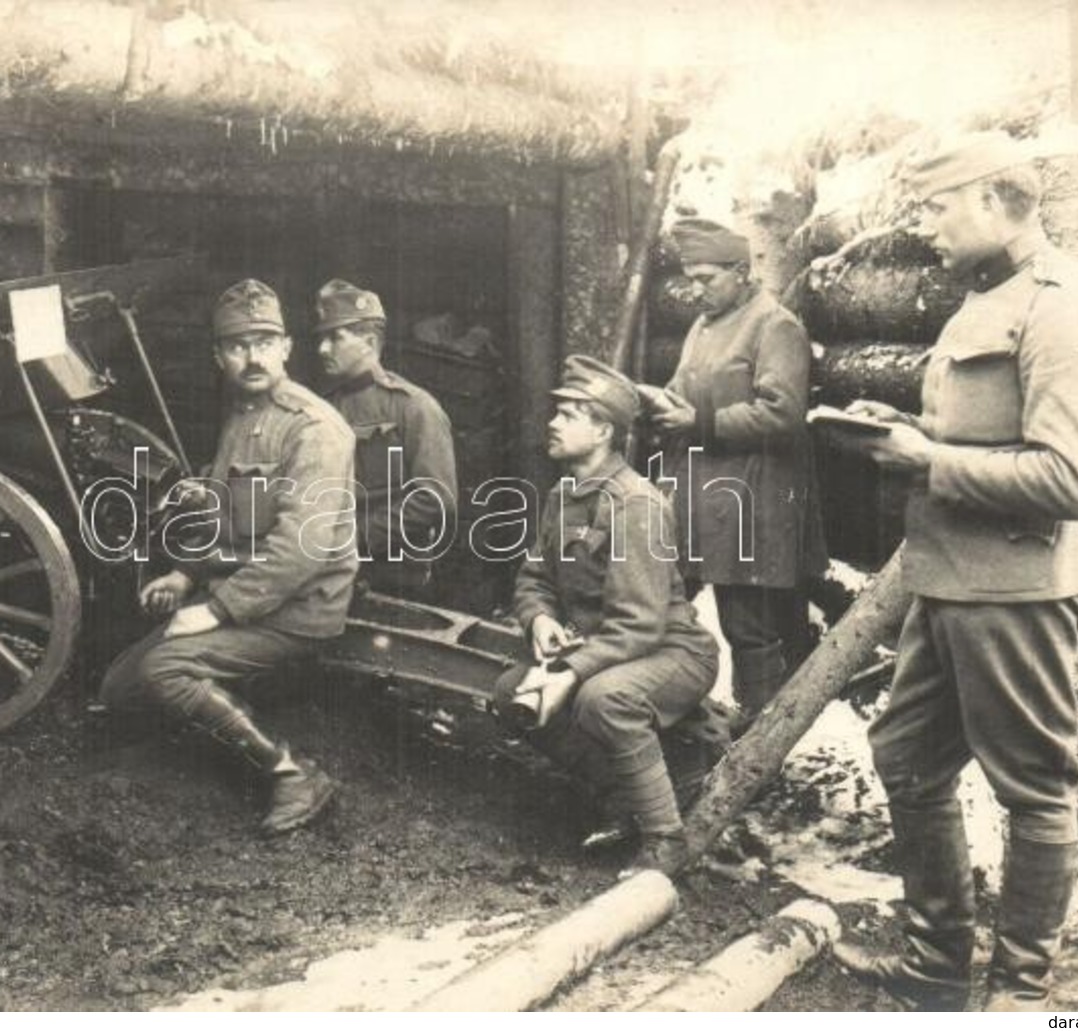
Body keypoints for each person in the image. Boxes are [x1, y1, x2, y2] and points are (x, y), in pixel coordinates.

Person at [829, 133, 1078, 1010]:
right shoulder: (985, 296)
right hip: (947, 578)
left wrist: (926, 461)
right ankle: (934, 966)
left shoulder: (1060, 305)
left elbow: (1066, 481)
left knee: (1032, 788)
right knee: (907, 758)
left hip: (1016, 585)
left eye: (934, 206)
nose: (922, 225)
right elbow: (984, 432)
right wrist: (905, 430)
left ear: (995, 202)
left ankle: (1018, 990)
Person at [98, 279, 359, 835]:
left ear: (287, 347)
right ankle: (211, 709)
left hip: (299, 609)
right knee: (120, 689)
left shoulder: (314, 428)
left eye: (265, 341)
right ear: (220, 357)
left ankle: (291, 771)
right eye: (239, 345)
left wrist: (214, 611)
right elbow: (221, 514)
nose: (253, 356)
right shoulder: (242, 417)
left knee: (165, 667)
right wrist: (183, 573)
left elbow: (301, 548)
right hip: (246, 597)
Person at [493, 354, 719, 874]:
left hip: (672, 651)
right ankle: (623, 797)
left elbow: (640, 623)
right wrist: (540, 620)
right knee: (512, 694)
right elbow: (533, 578)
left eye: (568, 415)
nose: (552, 423)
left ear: (602, 430)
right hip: (609, 648)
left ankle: (665, 841)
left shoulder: (635, 505)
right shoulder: (564, 495)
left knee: (603, 699)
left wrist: (570, 672)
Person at [639, 218, 826, 722]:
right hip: (702, 490)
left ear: (741, 271)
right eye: (689, 278)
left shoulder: (775, 325)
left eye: (707, 278)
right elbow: (681, 387)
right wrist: (658, 402)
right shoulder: (704, 325)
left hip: (753, 493)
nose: (694, 290)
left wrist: (698, 421)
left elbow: (782, 416)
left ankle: (760, 734)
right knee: (663, 599)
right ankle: (674, 712)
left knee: (749, 622)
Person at [315, 279, 458, 598]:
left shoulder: (414, 408)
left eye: (335, 337)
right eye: (322, 338)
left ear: (368, 340)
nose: (322, 348)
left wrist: (353, 539)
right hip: (324, 574)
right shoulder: (320, 409)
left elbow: (435, 500)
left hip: (394, 578)